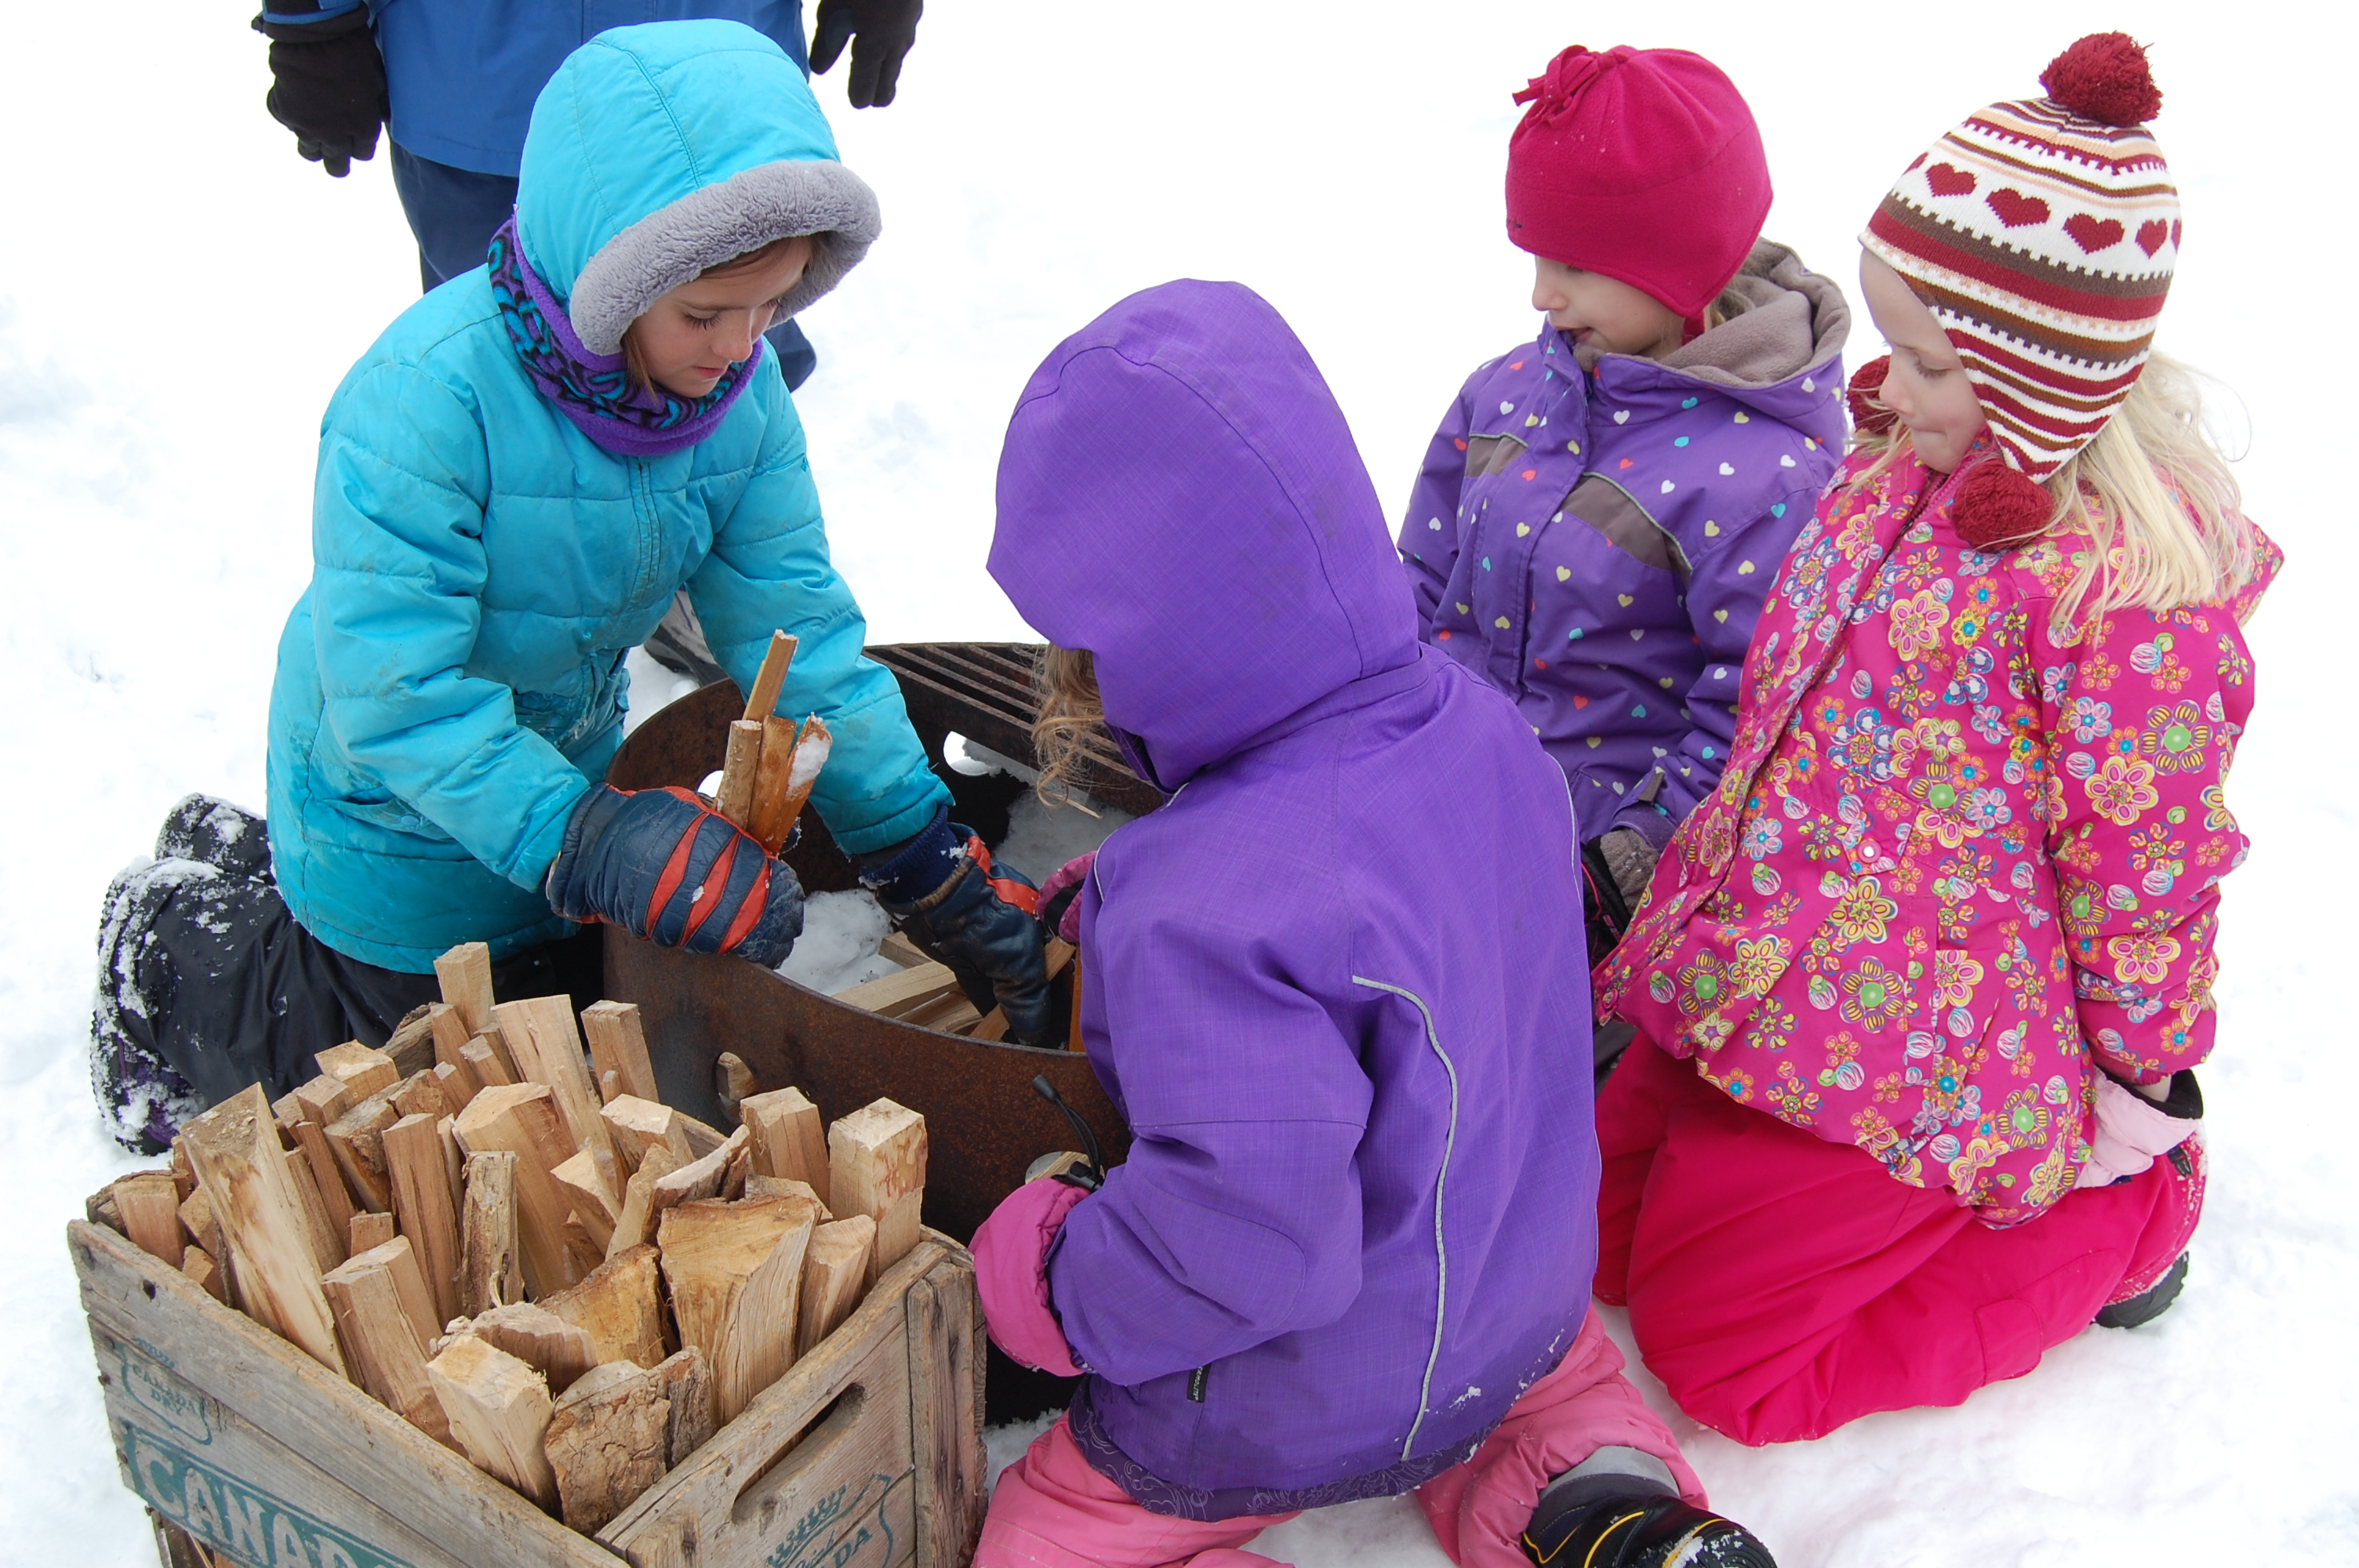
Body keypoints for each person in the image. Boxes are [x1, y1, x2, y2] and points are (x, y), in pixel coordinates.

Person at [91, 21, 1048, 1153]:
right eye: (706, 314)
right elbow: (399, 697)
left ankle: (231, 850)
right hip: (392, 793)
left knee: (563, 1017)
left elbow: (800, 636)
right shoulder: (424, 402)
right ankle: (160, 943)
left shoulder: (735, 401)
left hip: (551, 769)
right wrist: (585, 837)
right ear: (612, 272)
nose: (742, 348)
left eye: (774, 307)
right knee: (402, 1075)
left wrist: (919, 853)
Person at [969, 280, 1776, 1568]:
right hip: (1515, 1310)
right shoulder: (1485, 734)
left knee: (1045, 1543)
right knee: (1546, 1406)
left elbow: (1239, 1245)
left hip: (1298, 1394)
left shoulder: (1203, 916)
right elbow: (1379, 910)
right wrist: (1122, 887)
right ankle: (1597, 1503)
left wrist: (1048, 1277)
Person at [1587, 34, 2278, 1445]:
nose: (1885, 390)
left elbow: (2148, 877)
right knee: (1581, 1244)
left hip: (1927, 1042)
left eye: (1926, 363)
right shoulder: (1898, 476)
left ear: (2045, 381)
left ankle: (2126, 1224)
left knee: (1729, 1370)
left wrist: (2142, 1083)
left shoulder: (2114, 609)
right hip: (1760, 963)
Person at [1398, 45, 1848, 989]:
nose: (1540, 294)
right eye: (1534, 257)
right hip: (1425, 805)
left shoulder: (1761, 479)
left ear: (1676, 264)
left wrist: (1625, 865)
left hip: (1585, 888)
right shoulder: (1505, 393)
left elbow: (1754, 711)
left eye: (1573, 264)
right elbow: (1420, 580)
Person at [247, 0, 922, 390]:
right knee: (504, 369)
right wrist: (312, 20)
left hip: (716, 88)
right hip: (486, 86)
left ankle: (701, 550)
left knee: (725, 349)